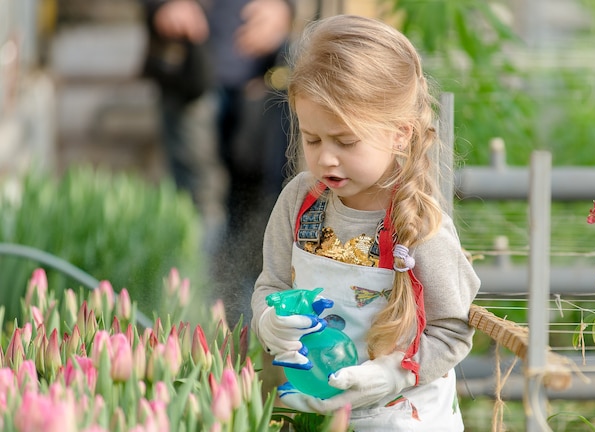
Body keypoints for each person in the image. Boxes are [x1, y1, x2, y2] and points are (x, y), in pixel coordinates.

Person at [250, 14, 480, 431]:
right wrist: (270, 321)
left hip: (403, 419)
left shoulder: (420, 225)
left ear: (400, 134)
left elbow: (453, 333)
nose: (326, 158)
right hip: (316, 413)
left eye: (346, 140)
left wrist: (394, 373)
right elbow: (273, 285)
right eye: (312, 138)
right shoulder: (299, 201)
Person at [140, 0, 294, 327]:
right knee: (201, 207)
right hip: (190, 73)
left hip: (262, 79)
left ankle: (246, 334)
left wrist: (285, 8)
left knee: (255, 209)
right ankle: (193, 329)